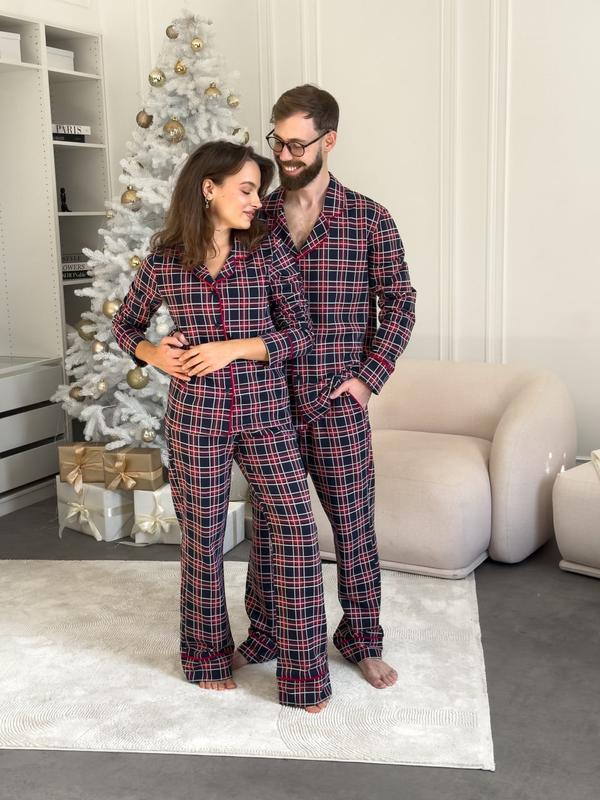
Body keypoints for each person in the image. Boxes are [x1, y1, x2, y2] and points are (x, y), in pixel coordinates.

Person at [112, 141, 331, 712]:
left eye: (259, 190)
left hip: (265, 415)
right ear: (208, 188)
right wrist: (154, 355)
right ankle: (207, 656)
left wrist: (231, 348)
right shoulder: (166, 260)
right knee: (203, 541)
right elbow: (125, 325)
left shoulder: (268, 251)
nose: (257, 201)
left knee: (296, 532)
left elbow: (300, 333)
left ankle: (304, 676)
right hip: (195, 419)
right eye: (247, 189)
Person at [234, 85, 417, 689]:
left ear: (328, 140)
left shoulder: (368, 218)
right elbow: (222, 291)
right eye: (277, 141)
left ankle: (361, 639)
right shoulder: (253, 218)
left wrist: (367, 380)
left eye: (297, 144)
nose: (284, 155)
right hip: (267, 404)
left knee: (353, 528)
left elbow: (400, 303)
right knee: (270, 528)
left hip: (338, 403)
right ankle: (265, 632)